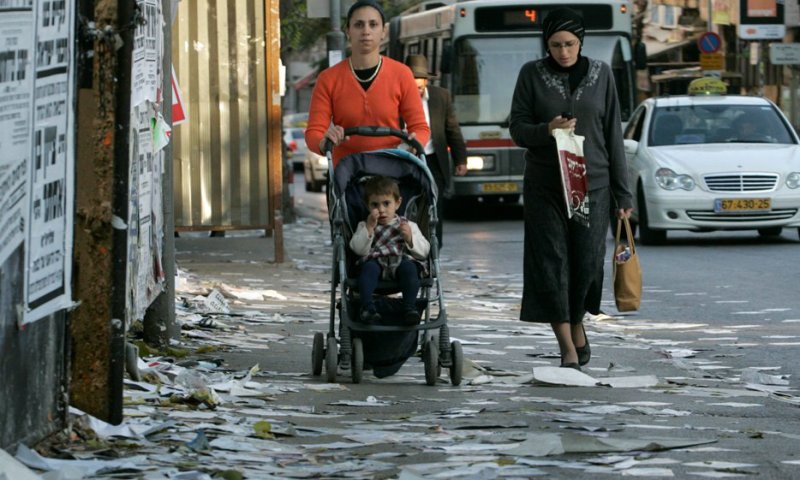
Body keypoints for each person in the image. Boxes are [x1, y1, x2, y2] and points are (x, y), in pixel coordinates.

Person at [508, 8, 633, 370]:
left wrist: (623, 196)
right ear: (545, 44)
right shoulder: (531, 74)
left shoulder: (602, 74)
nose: (563, 52)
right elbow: (517, 128)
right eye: (555, 45)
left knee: (587, 265)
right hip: (546, 186)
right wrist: (546, 130)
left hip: (592, 186)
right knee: (551, 265)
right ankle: (566, 346)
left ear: (581, 42)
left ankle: (577, 322)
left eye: (570, 44)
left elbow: (613, 135)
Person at [304, 0, 430, 167]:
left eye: (373, 24)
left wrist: (416, 142)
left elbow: (420, 126)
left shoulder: (402, 74)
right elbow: (314, 132)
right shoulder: (328, 79)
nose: (366, 31)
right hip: (347, 173)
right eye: (358, 25)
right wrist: (324, 142)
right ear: (348, 31)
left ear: (383, 31)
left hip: (391, 169)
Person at [403, 54, 467, 249]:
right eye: (412, 88)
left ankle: (432, 251)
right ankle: (406, 247)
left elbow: (452, 129)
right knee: (403, 205)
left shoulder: (441, 96)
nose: (417, 93)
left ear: (426, 82)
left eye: (420, 88)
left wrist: (460, 159)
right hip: (404, 161)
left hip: (432, 160)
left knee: (433, 208)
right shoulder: (394, 96)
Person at [349, 176, 430, 325]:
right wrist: (369, 229)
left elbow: (424, 252)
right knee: (368, 269)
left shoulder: (408, 225)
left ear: (398, 203)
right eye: (375, 205)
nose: (381, 210)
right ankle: (367, 308)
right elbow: (358, 250)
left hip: (401, 261)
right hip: (376, 262)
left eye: (386, 203)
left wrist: (410, 239)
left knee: (410, 269)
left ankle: (409, 308)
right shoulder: (365, 225)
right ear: (367, 206)